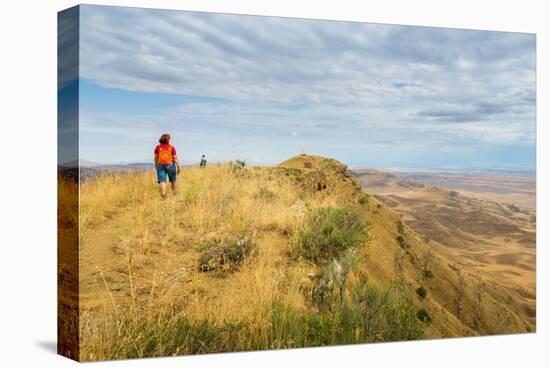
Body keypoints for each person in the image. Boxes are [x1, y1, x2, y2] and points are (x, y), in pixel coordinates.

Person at [154, 133, 180, 199]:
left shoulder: (158, 147)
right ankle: (174, 193)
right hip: (170, 165)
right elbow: (175, 158)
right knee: (173, 180)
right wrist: (178, 166)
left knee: (162, 181)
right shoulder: (172, 147)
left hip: (160, 165)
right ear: (168, 140)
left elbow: (155, 158)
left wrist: (156, 165)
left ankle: (164, 195)